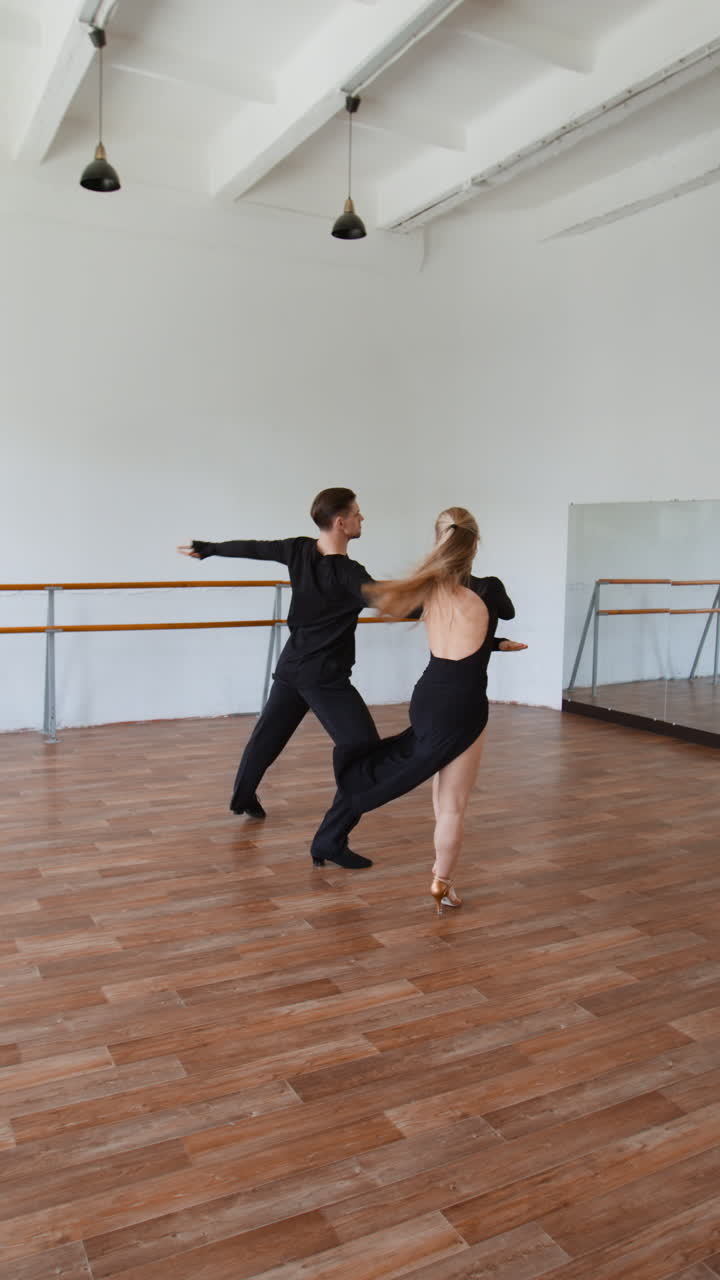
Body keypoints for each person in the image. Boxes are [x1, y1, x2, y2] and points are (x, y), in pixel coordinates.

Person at [310, 507, 522, 912]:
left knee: (441, 799)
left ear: (438, 540)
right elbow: (504, 612)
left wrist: (495, 644)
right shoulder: (489, 588)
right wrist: (496, 639)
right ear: (474, 542)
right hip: (462, 703)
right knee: (454, 805)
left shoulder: (429, 589)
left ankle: (436, 874)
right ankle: (442, 883)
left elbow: (462, 637)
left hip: (427, 695)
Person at [178, 488, 381, 868]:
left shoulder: (298, 550)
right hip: (323, 677)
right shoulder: (349, 574)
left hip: (293, 665)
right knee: (362, 744)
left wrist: (210, 548)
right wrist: (453, 600)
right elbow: (389, 600)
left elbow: (254, 548)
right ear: (340, 522)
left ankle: (242, 797)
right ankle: (332, 836)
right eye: (356, 513)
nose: (361, 518)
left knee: (269, 734)